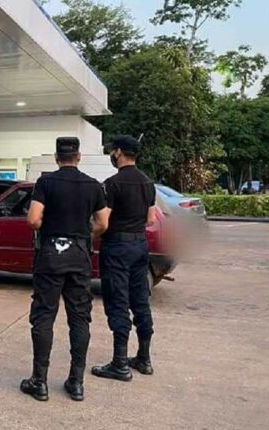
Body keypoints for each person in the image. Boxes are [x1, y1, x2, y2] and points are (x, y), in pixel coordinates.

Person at [20, 137, 109, 402]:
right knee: (80, 318)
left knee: (44, 315)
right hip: (80, 255)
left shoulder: (45, 183)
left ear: (57, 158)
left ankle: (39, 381)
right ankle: (76, 382)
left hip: (50, 255)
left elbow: (33, 220)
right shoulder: (93, 186)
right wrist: (82, 236)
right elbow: (103, 223)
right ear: (79, 157)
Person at [92, 135, 157, 382]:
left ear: (118, 152)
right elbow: (151, 219)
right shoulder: (147, 183)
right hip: (140, 244)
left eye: (113, 151)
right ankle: (144, 358)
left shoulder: (112, 184)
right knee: (140, 299)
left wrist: (92, 234)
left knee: (118, 300)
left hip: (117, 246)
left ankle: (119, 364)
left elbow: (102, 222)